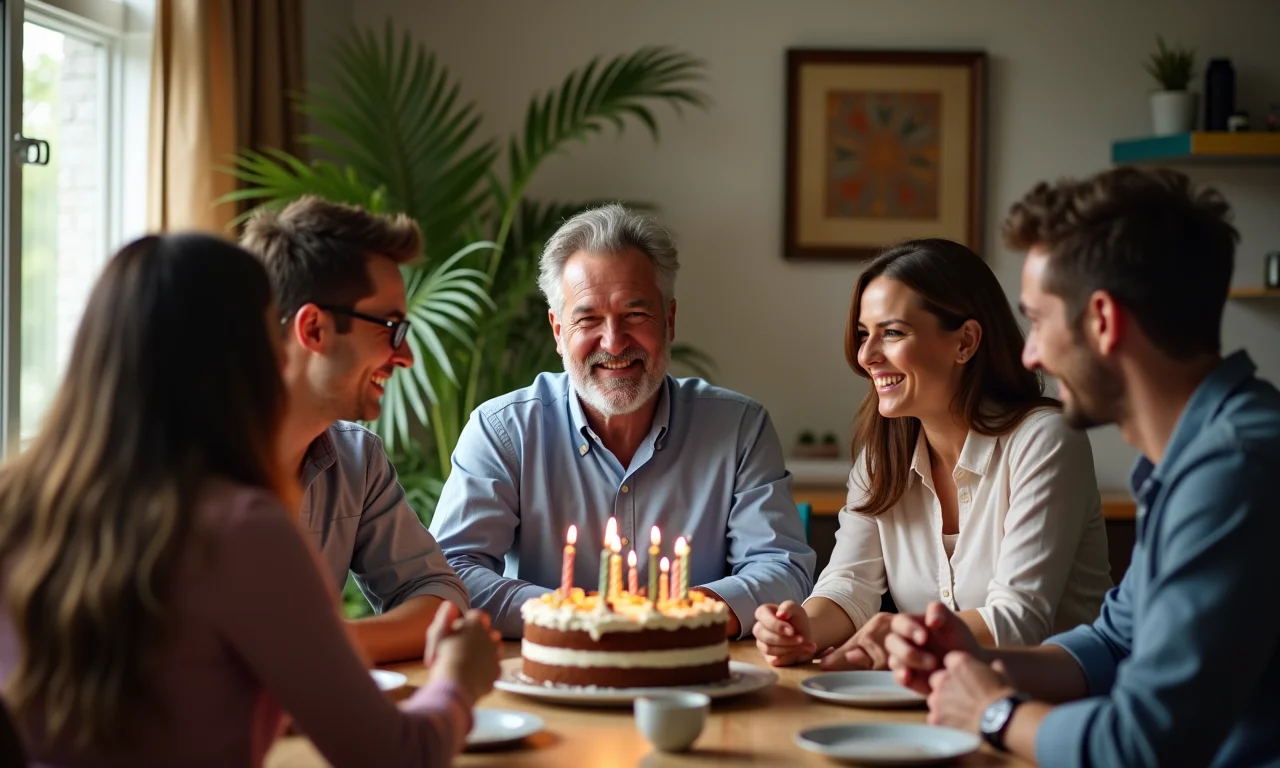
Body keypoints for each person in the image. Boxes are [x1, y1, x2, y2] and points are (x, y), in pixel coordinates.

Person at [0, 234, 501, 767]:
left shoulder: (18, 501)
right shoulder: (241, 529)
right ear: (243, 355)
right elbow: (397, 756)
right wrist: (457, 679)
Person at [884, 168, 1280, 767]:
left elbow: (1146, 744)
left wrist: (995, 711)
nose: (1029, 353)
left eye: (1038, 321)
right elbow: (1113, 642)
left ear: (1102, 320)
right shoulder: (1196, 456)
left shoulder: (1235, 470)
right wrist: (971, 660)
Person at [430, 204, 816, 638]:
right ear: (558, 332)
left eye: (635, 315)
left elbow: (782, 568)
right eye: (588, 318)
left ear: (668, 321)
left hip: (694, 681)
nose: (613, 343)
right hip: (549, 680)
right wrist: (576, 616)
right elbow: (453, 572)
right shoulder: (502, 430)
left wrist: (677, 616)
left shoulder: (740, 428)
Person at [753, 239, 1111, 670]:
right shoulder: (880, 455)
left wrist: (900, 636)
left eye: (892, 332)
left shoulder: (1046, 440)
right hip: (933, 704)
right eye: (865, 334)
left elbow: (1017, 622)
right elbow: (850, 585)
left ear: (966, 342)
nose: (866, 355)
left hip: (1052, 708)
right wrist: (798, 628)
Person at [240, 197, 467, 663]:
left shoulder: (356, 461)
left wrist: (324, 649)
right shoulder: (179, 467)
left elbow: (438, 595)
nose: (406, 357)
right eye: (391, 328)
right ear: (315, 329)